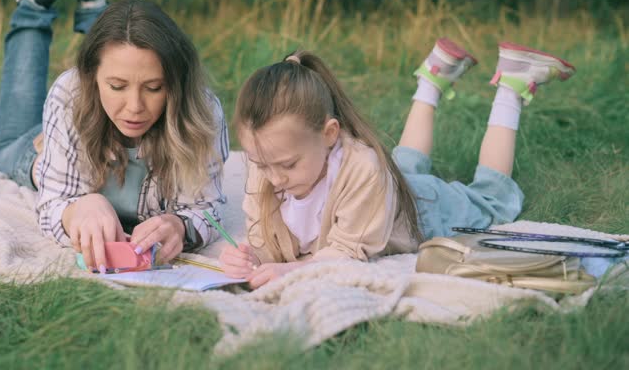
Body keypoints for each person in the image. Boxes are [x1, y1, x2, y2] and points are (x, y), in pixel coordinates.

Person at [219, 38, 576, 288]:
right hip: (384, 191)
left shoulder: (362, 168)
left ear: (329, 135)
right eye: (260, 164)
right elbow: (266, 237)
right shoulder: (267, 165)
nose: (274, 178)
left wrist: (292, 271)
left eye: (288, 165)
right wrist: (250, 256)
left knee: (492, 199)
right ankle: (433, 76)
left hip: (423, 208)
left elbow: (346, 252)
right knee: (402, 163)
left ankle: (513, 84)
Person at [0, 0, 230, 273]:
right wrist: (77, 209)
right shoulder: (70, 92)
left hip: (74, 130)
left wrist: (180, 225)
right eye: (116, 86)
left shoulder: (201, 112)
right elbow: (52, 204)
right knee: (4, 151)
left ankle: (94, 5)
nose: (134, 107)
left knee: (122, 55)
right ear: (91, 78)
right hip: (46, 153)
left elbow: (208, 209)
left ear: (175, 83)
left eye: (154, 88)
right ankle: (34, 5)